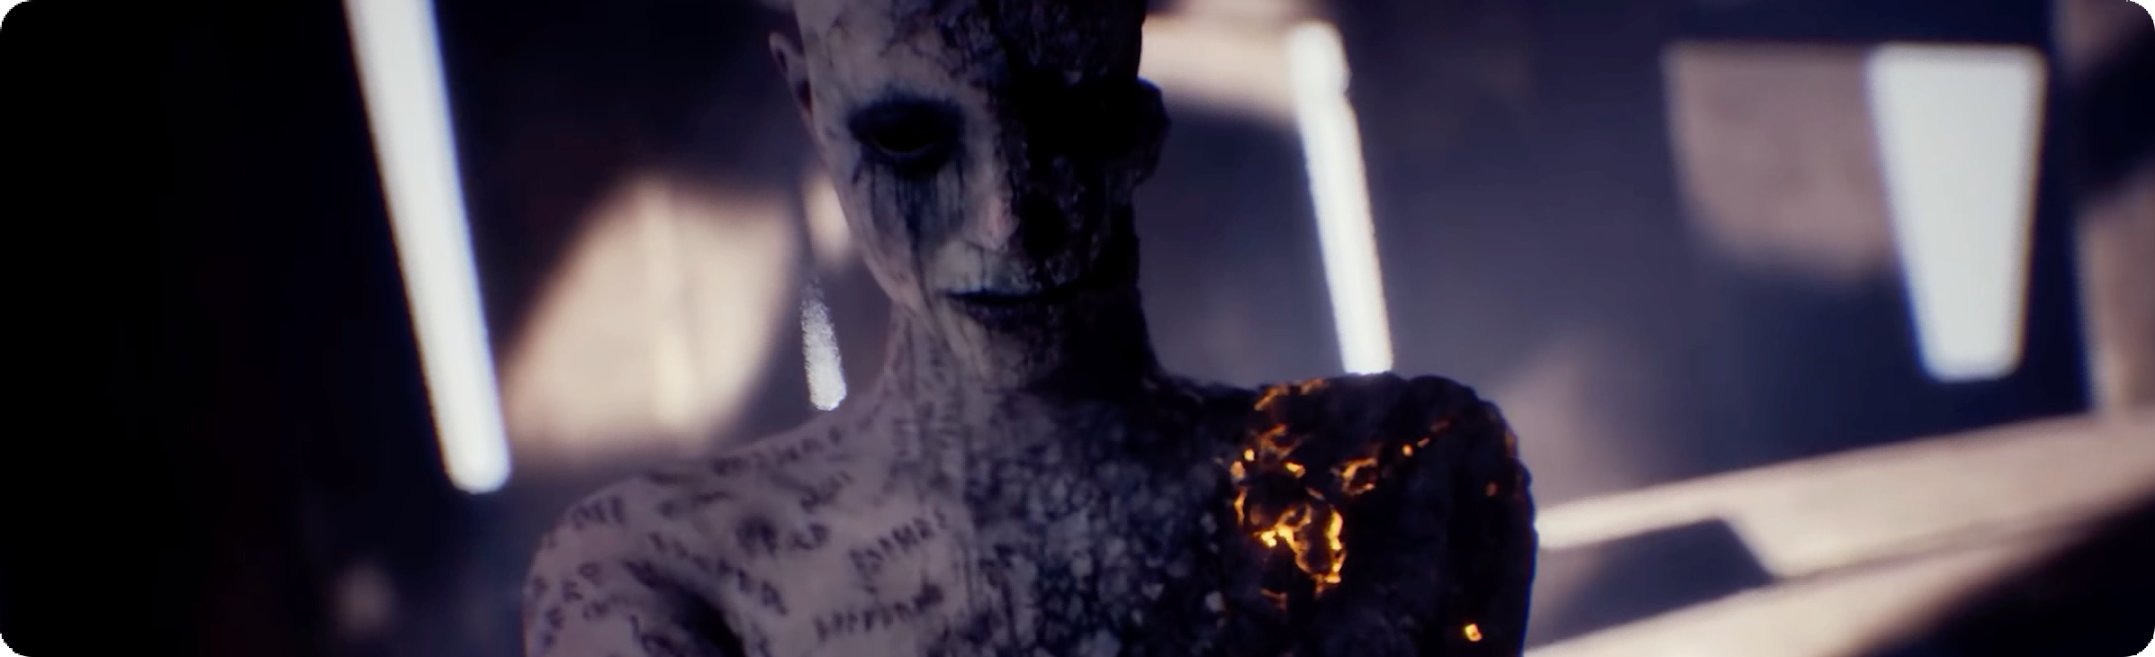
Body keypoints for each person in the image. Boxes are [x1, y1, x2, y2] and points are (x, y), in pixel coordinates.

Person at [520, 0, 1536, 655]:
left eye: (1066, 119)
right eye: (911, 142)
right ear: (809, 102)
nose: (1005, 219)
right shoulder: (654, 571)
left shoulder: (1395, 474)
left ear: (1136, 124)